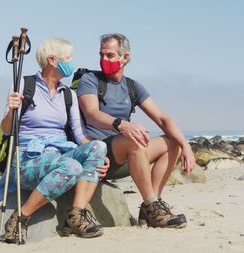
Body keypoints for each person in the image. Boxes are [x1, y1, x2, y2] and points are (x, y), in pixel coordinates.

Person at [0, 37, 109, 243]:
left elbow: (80, 135)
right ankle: (19, 218)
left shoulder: (68, 94)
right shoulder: (23, 84)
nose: (71, 61)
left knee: (99, 146)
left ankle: (76, 215)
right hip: (27, 161)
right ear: (53, 60)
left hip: (58, 154)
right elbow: (6, 129)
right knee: (72, 167)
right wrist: (12, 110)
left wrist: (99, 155)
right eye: (68, 57)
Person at [77, 33, 196, 229]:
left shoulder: (132, 86)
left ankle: (152, 206)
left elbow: (162, 118)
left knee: (172, 142)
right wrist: (122, 125)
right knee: (134, 140)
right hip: (100, 154)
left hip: (127, 156)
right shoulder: (90, 80)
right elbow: (91, 113)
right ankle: (152, 205)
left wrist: (186, 145)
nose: (103, 60)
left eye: (110, 55)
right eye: (101, 55)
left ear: (125, 58)